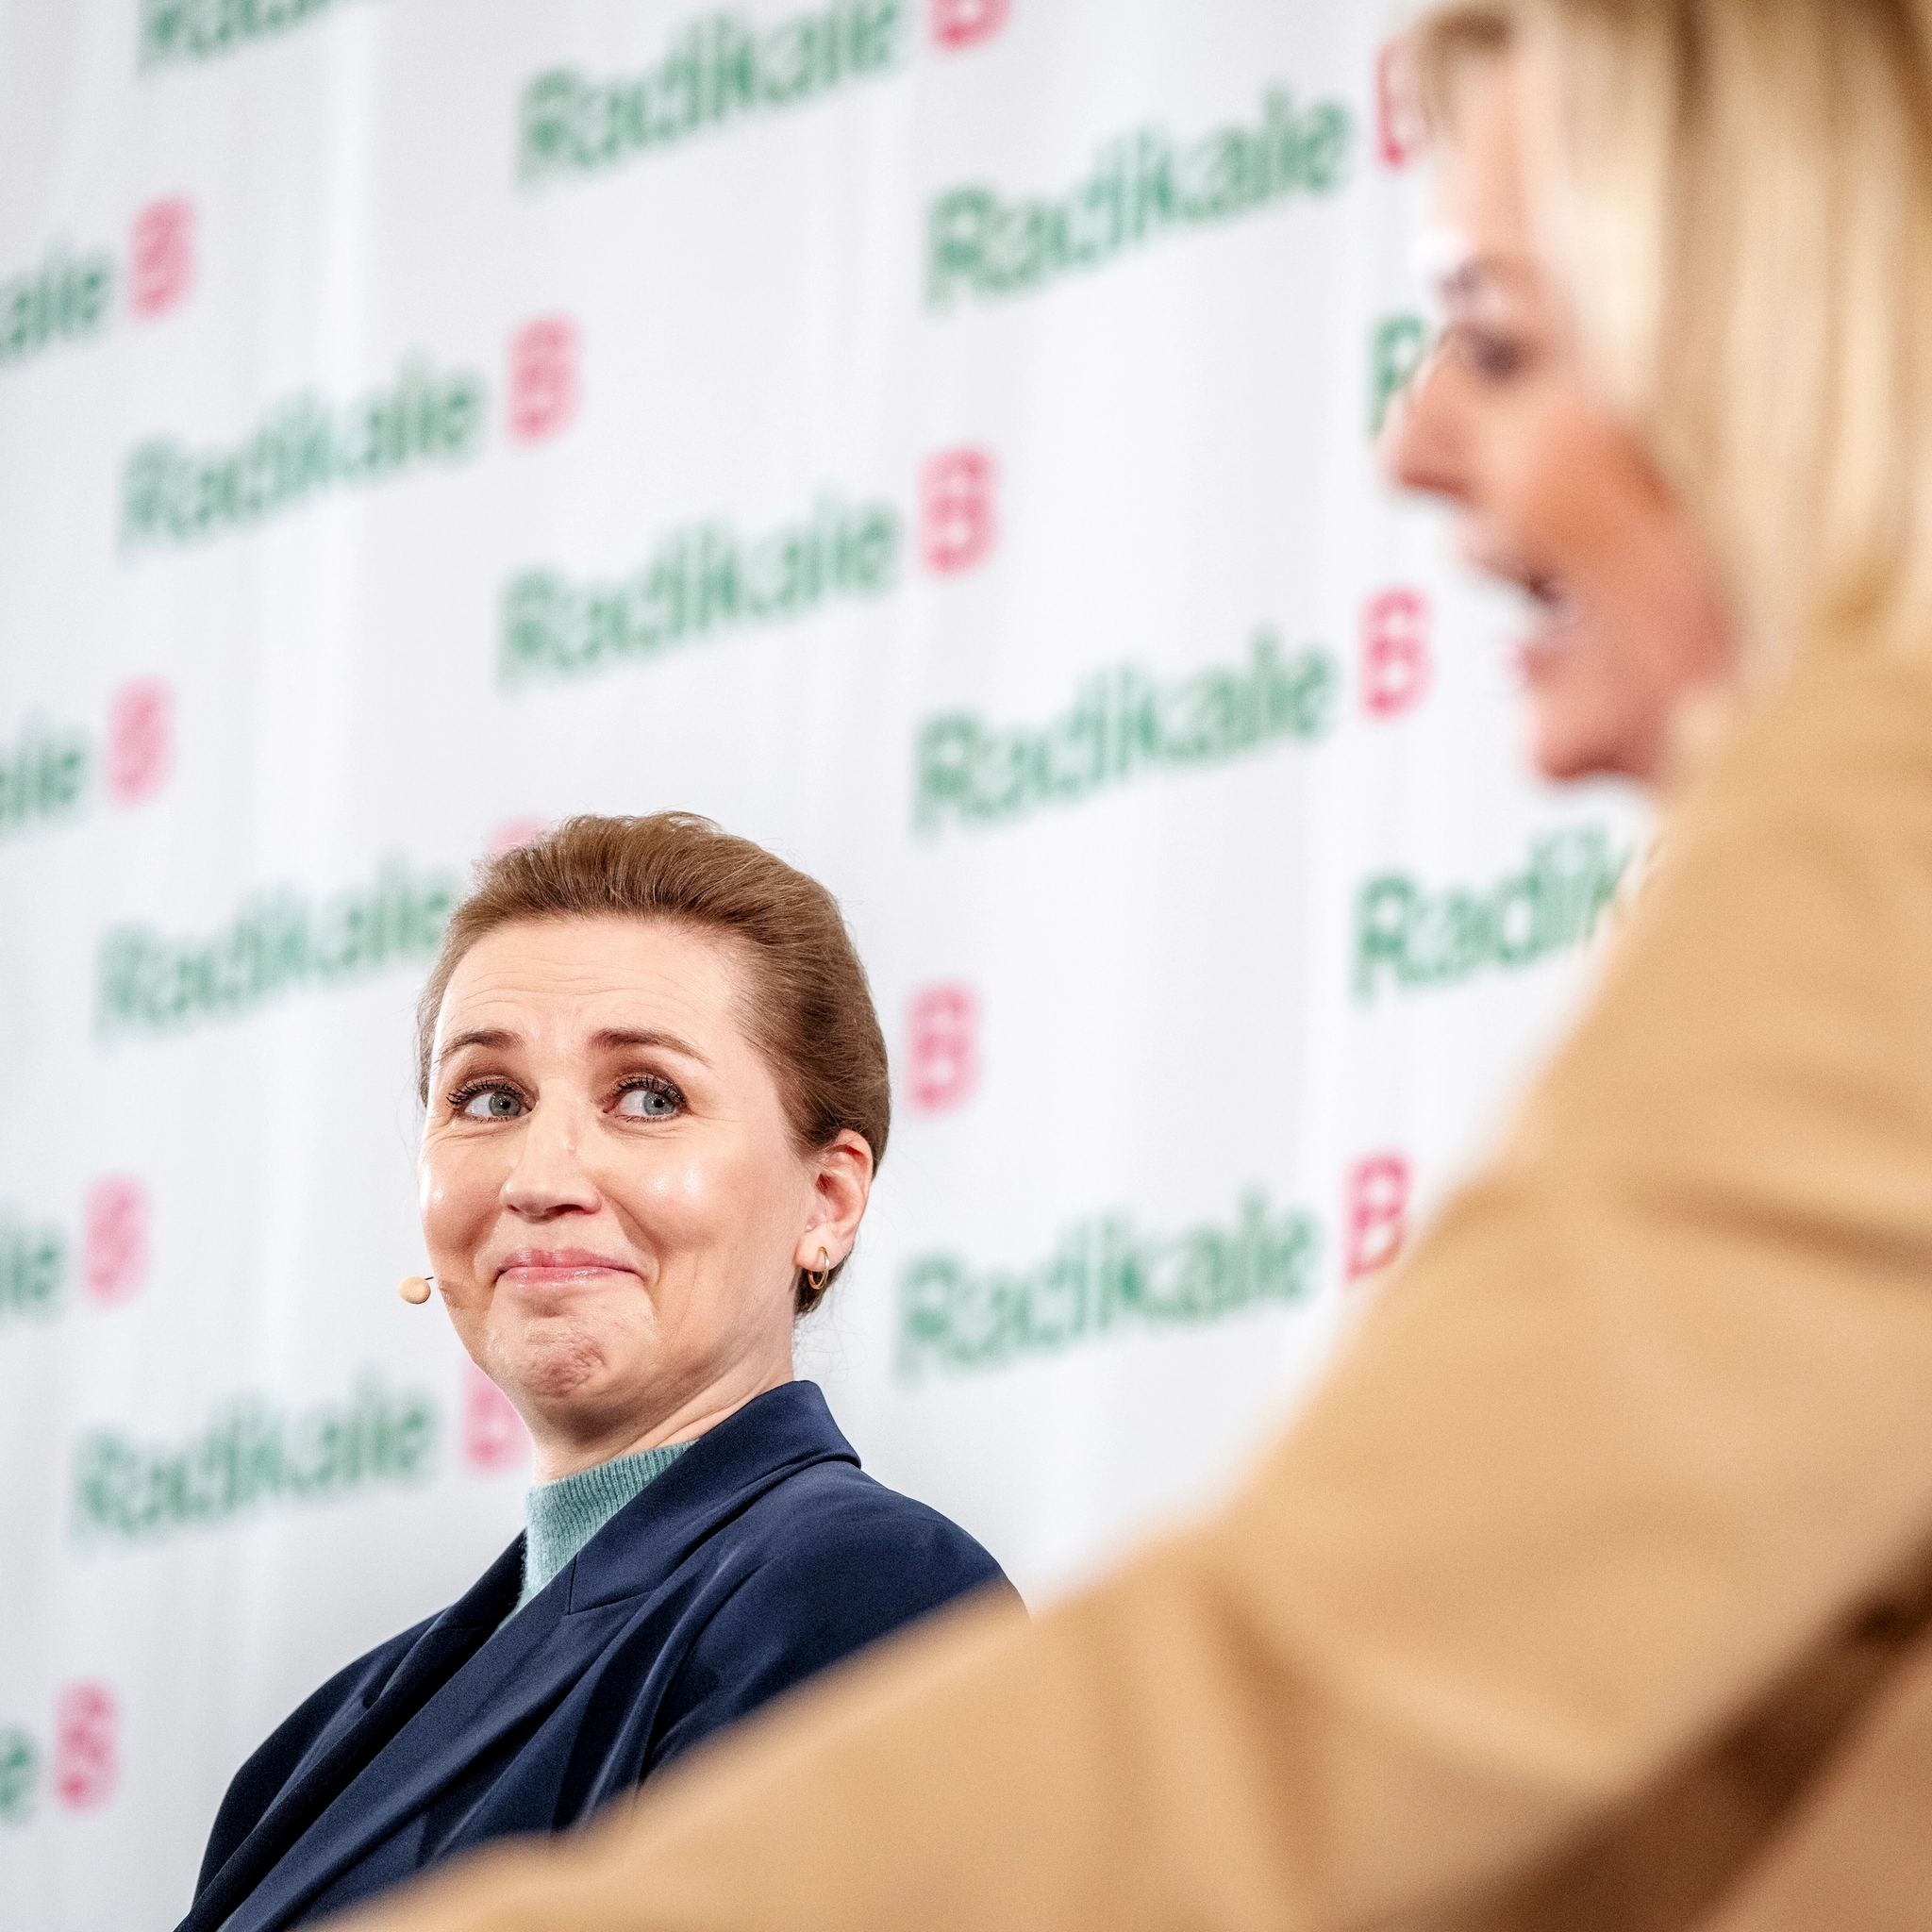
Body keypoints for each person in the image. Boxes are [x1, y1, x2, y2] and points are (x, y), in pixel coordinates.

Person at [330, 1, 1932, 1925]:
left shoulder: (1887, 826)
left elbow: (1301, 1694)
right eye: (484, 1092)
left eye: (1500, 337)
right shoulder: (348, 1722)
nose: (1412, 433)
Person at [176, 813, 1017, 1932]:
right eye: (489, 1097)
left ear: (827, 1200)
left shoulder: (866, 1593)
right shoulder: (308, 1756)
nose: (539, 1176)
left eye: (647, 1095)